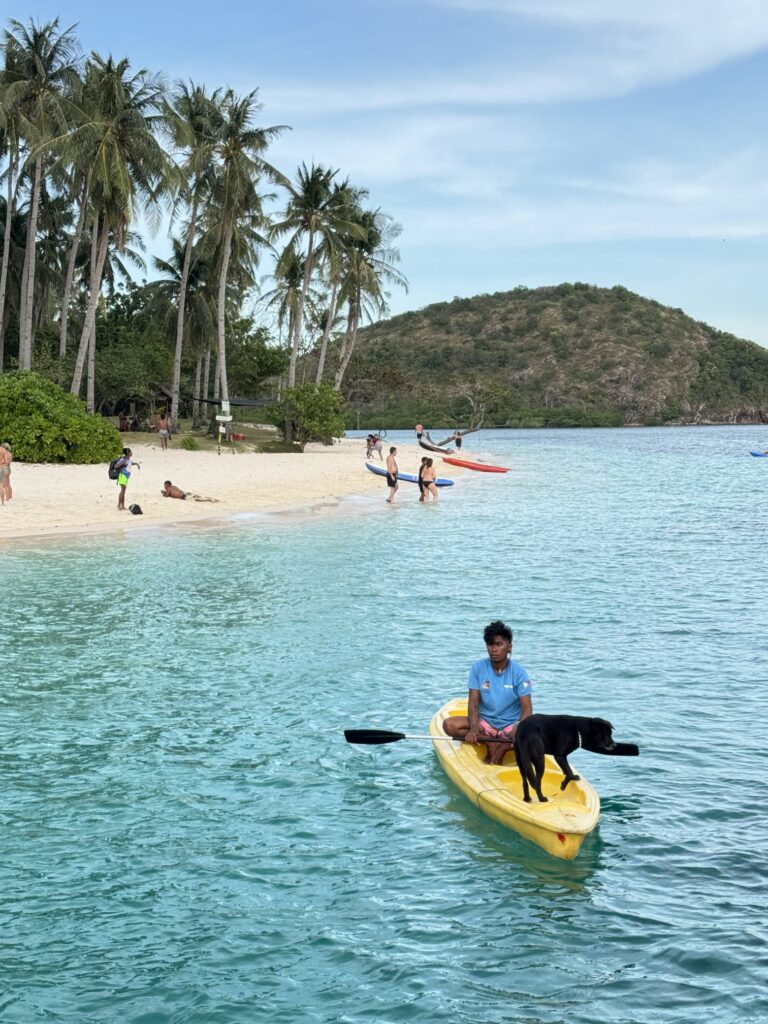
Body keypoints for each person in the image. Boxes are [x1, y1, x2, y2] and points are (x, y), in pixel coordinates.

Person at [442, 620, 533, 765]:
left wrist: (518, 731)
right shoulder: (478, 667)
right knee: (449, 725)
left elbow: (527, 709)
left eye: (498, 644)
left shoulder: (519, 672)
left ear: (509, 647)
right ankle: (490, 744)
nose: (493, 649)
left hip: (511, 726)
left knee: (529, 733)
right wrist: (473, 729)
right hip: (484, 723)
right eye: (490, 644)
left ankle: (502, 748)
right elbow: (473, 703)